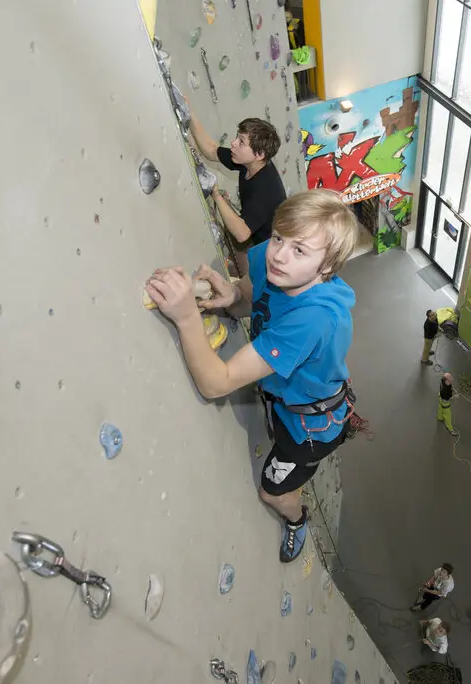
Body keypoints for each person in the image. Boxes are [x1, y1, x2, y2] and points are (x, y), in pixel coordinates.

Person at [145, 190, 358, 563]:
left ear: (327, 268)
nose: (279, 254)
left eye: (300, 250)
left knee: (271, 491)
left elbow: (216, 382)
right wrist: (230, 296)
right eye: (279, 237)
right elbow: (249, 297)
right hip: (282, 399)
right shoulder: (269, 260)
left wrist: (186, 317)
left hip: (308, 430)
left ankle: (297, 519)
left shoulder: (315, 318)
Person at [185, 113, 287, 276]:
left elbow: (242, 234)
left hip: (275, 253)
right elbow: (211, 150)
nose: (233, 143)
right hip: (259, 239)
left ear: (259, 155)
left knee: (250, 284)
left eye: (241, 142)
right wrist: (189, 115)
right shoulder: (249, 163)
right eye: (237, 137)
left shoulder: (265, 189)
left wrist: (215, 193)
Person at [437, 373, 458, 437]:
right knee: (448, 415)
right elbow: (449, 398)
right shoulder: (445, 391)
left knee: (440, 408)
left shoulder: (443, 380)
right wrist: (455, 396)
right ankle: (451, 429)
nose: (451, 380)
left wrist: (453, 389)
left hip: (440, 396)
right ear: (446, 380)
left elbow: (450, 385)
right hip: (445, 402)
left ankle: (440, 417)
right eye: (450, 379)